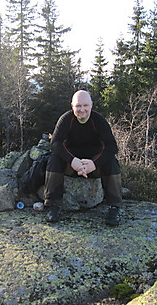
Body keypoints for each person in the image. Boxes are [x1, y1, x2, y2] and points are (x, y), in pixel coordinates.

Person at [43, 90, 123, 226]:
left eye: (85, 105)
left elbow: (112, 147)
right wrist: (72, 161)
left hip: (93, 166)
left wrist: (94, 163)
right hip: (72, 165)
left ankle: (114, 207)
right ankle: (53, 205)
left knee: (111, 162)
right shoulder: (66, 119)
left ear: (91, 105)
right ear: (72, 106)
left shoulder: (98, 120)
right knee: (54, 159)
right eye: (78, 106)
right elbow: (55, 143)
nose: (82, 109)